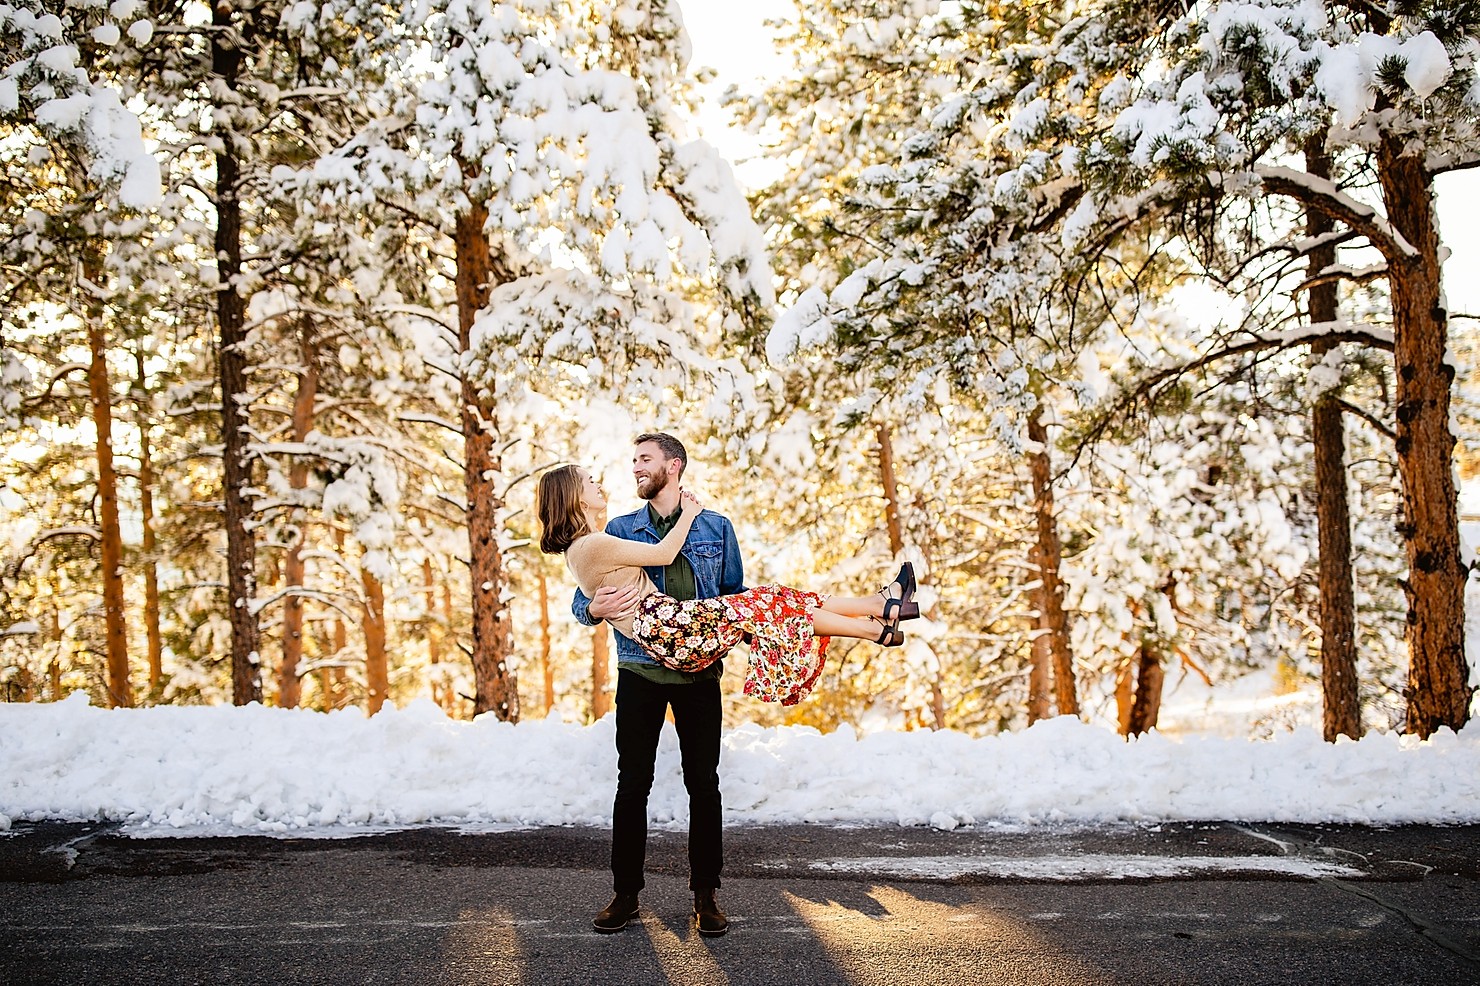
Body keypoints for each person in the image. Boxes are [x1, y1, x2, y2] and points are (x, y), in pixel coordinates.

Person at [542, 437, 920, 937]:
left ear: (673, 467)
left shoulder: (716, 527)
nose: (632, 469)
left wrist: (742, 620)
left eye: (644, 460)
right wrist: (591, 609)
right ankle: (625, 894)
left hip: (697, 662)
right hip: (643, 670)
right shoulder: (614, 531)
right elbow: (584, 595)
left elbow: (734, 592)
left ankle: (706, 896)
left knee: (706, 782)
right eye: (631, 459)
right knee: (632, 786)